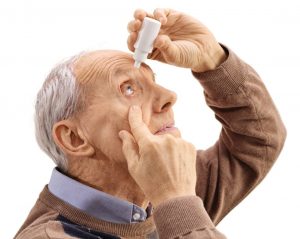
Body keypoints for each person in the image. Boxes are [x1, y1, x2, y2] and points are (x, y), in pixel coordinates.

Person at [14, 8, 286, 239]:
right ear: (75, 138)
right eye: (129, 89)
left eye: (153, 81)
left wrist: (212, 60)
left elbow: (259, 140)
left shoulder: (154, 191)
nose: (169, 97)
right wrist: (176, 202)